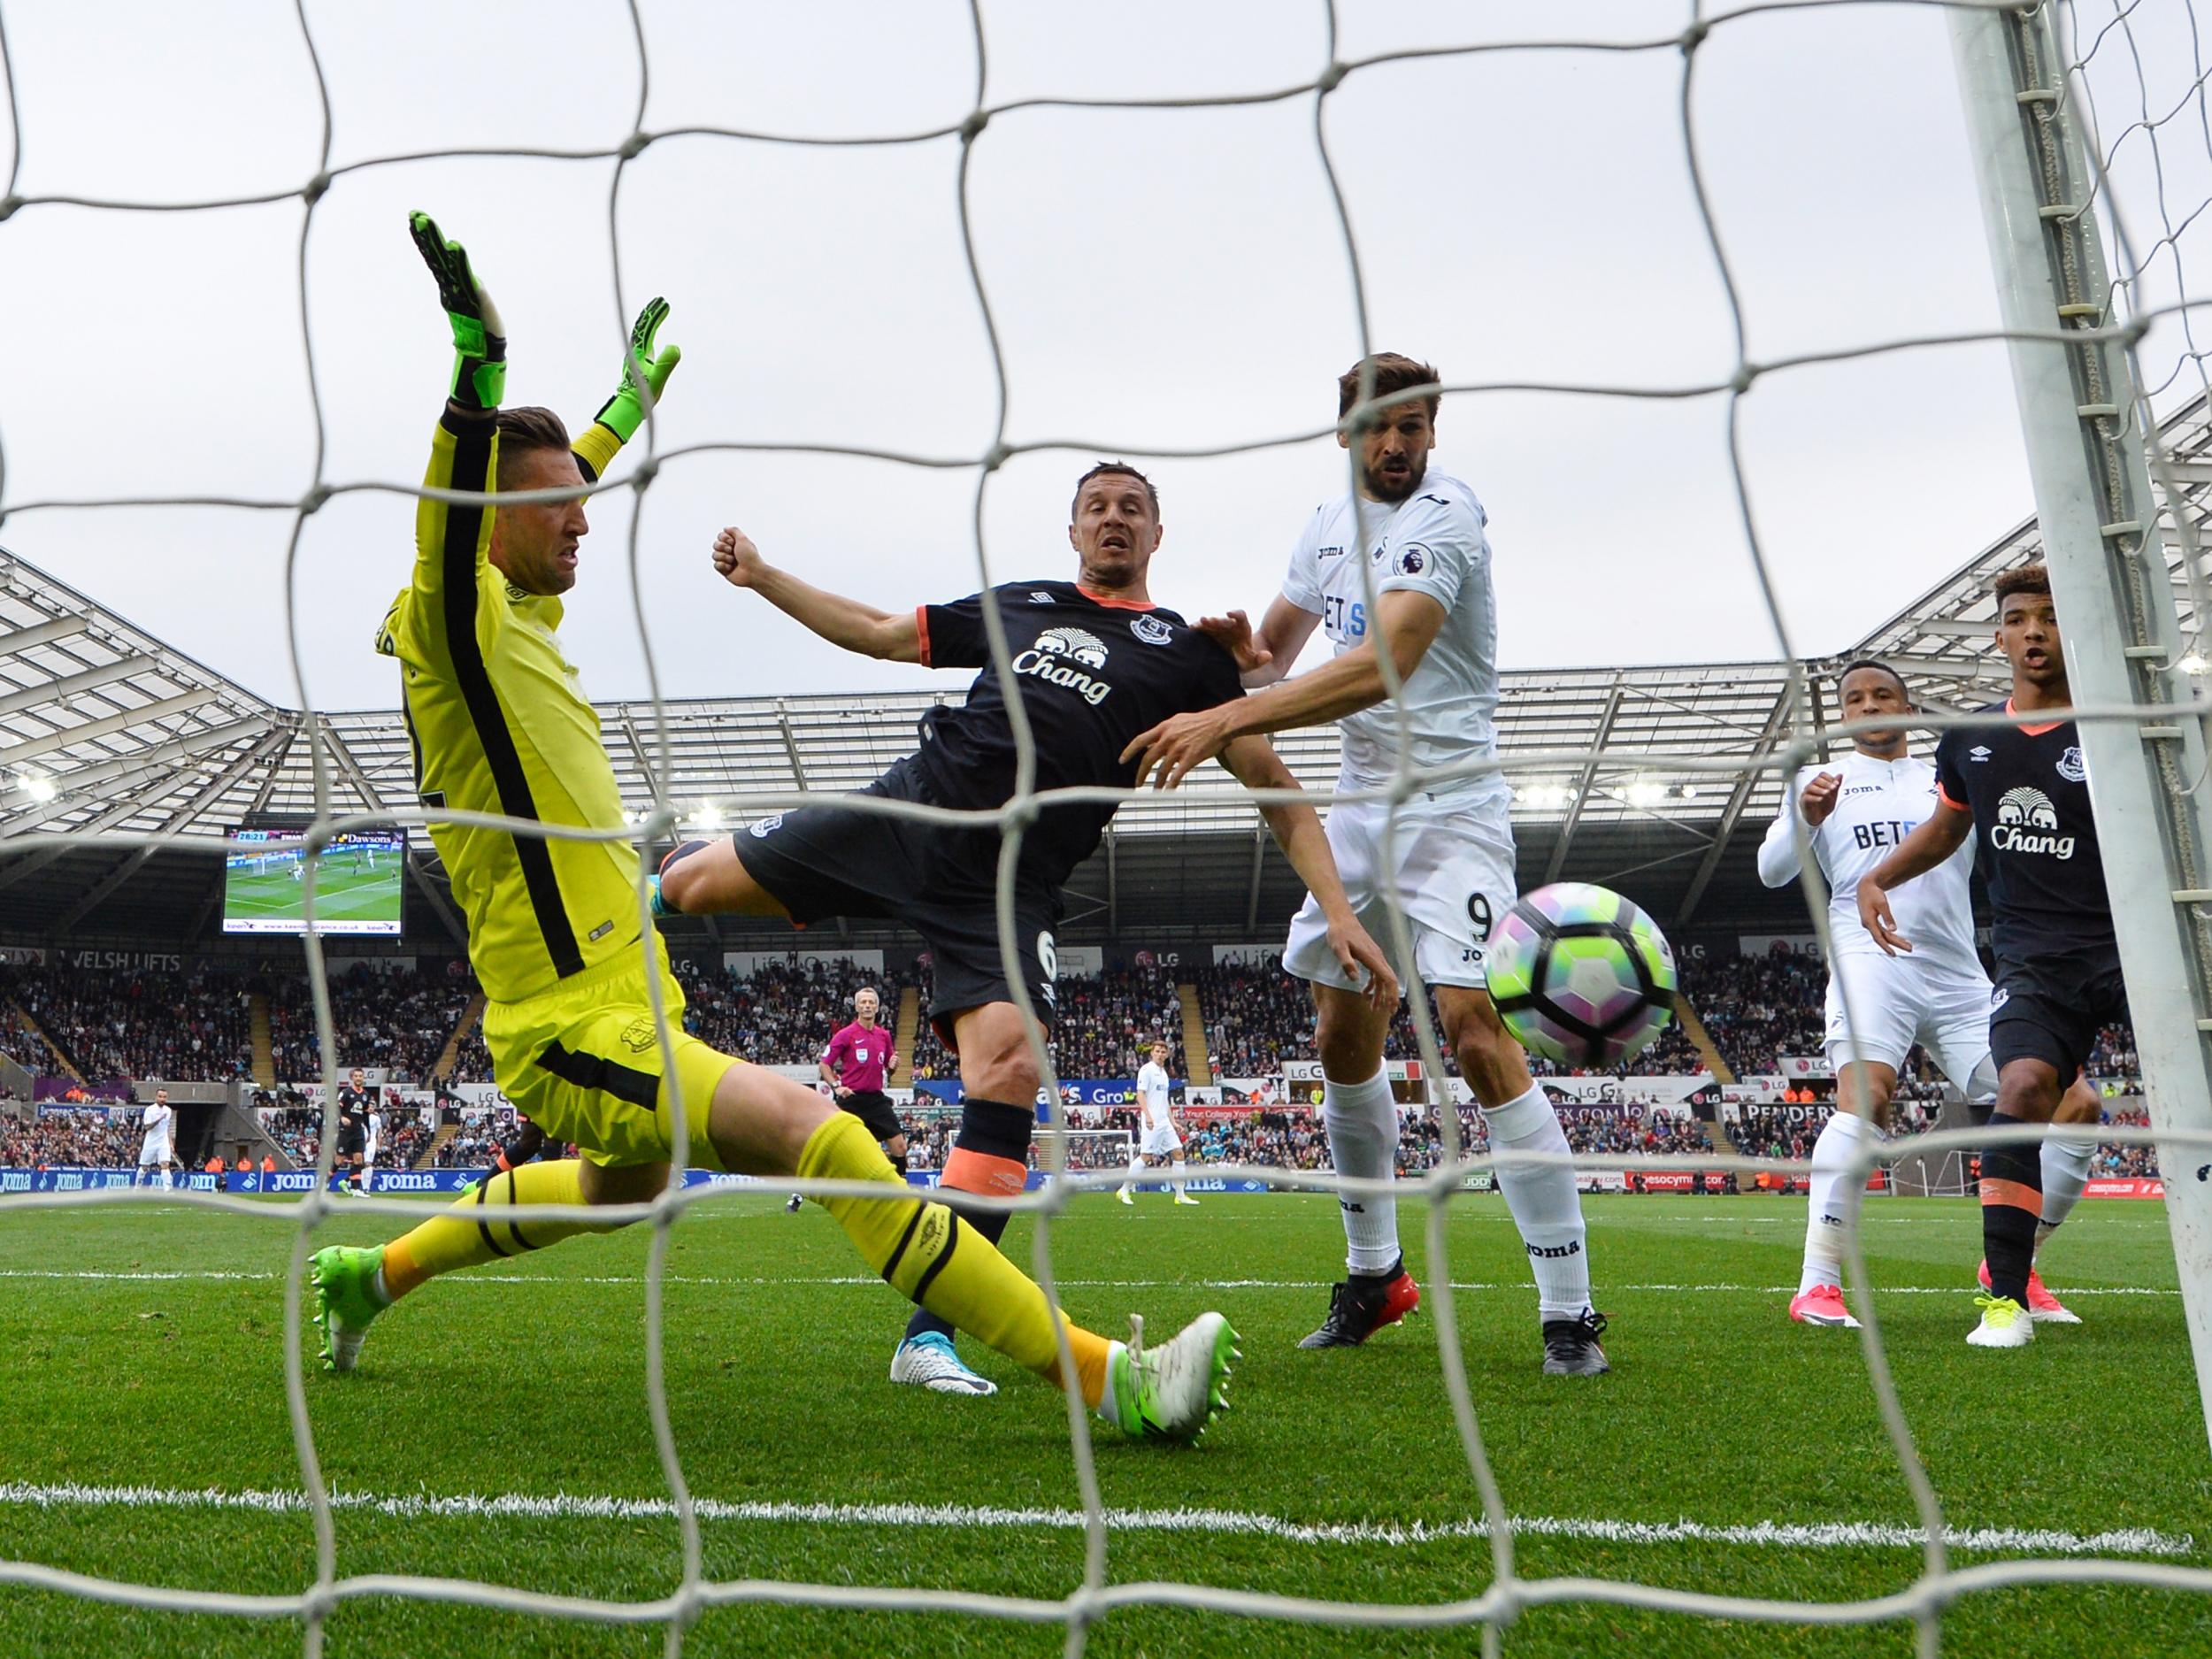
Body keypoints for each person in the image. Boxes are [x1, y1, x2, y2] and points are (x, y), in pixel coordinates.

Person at [308, 212, 1236, 1447]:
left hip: (625, 984)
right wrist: (480, 356)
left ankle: (368, 1273)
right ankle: (1109, 1374)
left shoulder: (515, 601)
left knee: (612, 1190)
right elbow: (462, 494)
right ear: (489, 516)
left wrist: (623, 409)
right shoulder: (450, 619)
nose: (586, 522)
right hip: (561, 1015)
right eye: (562, 511)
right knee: (821, 1132)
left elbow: (542, 486)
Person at [657, 460, 1396, 1398]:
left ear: (1156, 534)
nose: (1113, 519)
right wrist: (765, 576)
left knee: (1007, 1068)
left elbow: (1279, 795)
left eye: (1132, 508)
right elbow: (885, 634)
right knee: (687, 886)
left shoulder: (1190, 657)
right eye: (1097, 507)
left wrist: (1336, 912)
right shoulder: (1024, 604)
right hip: (913, 810)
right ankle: (599, 918)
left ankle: (931, 1335)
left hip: (1007, 885)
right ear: (1075, 529)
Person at [1120, 353, 1607, 1373]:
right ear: (1344, 432)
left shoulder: (1445, 517)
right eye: (1379, 427)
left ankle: (1569, 1309)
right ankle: (1374, 1274)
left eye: (1414, 427)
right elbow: (1280, 659)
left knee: (1473, 1029)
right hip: (1356, 808)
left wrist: (1227, 712)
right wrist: (1237, 653)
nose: (1395, 445)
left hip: (1452, 808)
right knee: (1342, 1033)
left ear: (1432, 435)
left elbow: (1383, 662)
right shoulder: (1324, 525)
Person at [1759, 659, 2099, 1329]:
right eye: (1855, 698)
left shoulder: (1953, 769)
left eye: (1883, 693)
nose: (1870, 704)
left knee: (2076, 1105)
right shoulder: (1815, 781)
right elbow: (1772, 872)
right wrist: (1804, 817)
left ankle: (2014, 1262)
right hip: (1868, 961)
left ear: (1907, 706)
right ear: (1844, 715)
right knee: (1868, 1098)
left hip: (1959, 972)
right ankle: (1818, 1285)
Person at [1859, 565, 2127, 1348]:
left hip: (2131, 942)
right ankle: (2005, 1302)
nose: (2036, 630)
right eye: (2021, 617)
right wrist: (1878, 876)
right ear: (2000, 635)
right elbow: (1949, 826)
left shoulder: (2113, 724)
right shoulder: (1973, 738)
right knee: (2021, 1087)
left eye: (2051, 616)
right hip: (2035, 958)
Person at [787, 986, 907, 1214]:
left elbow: (888, 1065)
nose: (867, 1006)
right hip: (851, 1100)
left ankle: (900, 1193)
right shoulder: (846, 1034)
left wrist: (892, 1068)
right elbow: (824, 1064)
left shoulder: (884, 1035)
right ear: (856, 1007)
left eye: (871, 1002)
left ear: (878, 1006)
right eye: (863, 1002)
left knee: (899, 1146)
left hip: (877, 1101)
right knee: (828, 1148)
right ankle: (798, 1193)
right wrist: (836, 1086)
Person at [1118, 1041, 1196, 1205]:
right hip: (1152, 1122)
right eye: (1157, 1051)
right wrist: (1148, 1117)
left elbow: (1164, 1100)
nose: (1160, 1054)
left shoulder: (1164, 1073)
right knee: (1146, 1157)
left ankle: (1180, 1195)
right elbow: (1140, 1095)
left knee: (1178, 1153)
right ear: (1152, 1053)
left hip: (1164, 1123)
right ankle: (1124, 1190)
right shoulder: (1146, 1070)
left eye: (1163, 1052)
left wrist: (1173, 1122)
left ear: (1167, 1055)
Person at [334, 1068, 371, 1195]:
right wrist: (342, 1117)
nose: (358, 1078)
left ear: (363, 1078)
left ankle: (356, 1189)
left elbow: (365, 1115)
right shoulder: (346, 1093)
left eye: (360, 1076)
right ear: (352, 1078)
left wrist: (369, 1131)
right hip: (345, 1131)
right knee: (339, 1160)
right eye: (356, 1076)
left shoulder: (366, 1095)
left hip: (358, 1130)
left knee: (359, 1159)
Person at [135, 1088, 175, 1189]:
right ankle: (137, 1187)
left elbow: (166, 1127)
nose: (162, 1099)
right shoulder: (150, 1110)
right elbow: (147, 1127)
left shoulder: (168, 1110)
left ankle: (167, 1190)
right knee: (145, 1167)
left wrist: (170, 1143)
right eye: (160, 1097)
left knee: (165, 1164)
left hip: (163, 1142)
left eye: (164, 1097)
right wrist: (159, 1119)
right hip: (151, 1141)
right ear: (156, 1097)